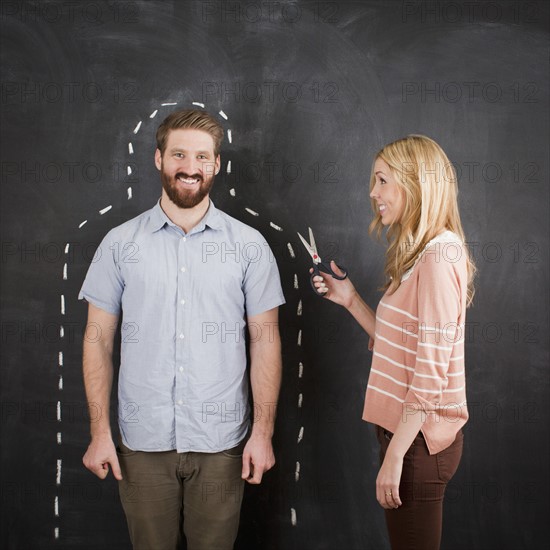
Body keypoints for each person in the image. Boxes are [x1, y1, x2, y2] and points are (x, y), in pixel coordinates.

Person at [79, 109, 285, 550]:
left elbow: (266, 342)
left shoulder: (249, 247)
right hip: (141, 444)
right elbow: (97, 341)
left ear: (216, 165)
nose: (190, 167)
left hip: (223, 445)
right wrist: (100, 434)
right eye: (178, 154)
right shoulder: (119, 245)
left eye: (201, 157)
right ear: (158, 159)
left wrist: (263, 434)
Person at [311, 135, 476, 550]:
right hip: (408, 436)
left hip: (418, 442)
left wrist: (396, 456)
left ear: (414, 183)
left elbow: (431, 370)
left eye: (383, 180)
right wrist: (349, 300)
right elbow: (405, 345)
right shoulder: (424, 253)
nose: (373, 193)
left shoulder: (439, 258)